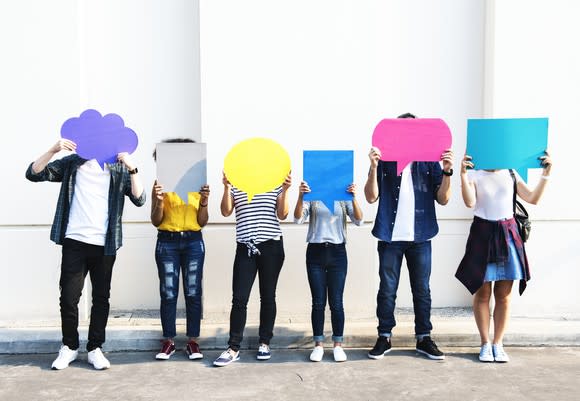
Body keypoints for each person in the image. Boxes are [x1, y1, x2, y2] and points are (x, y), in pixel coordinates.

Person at [25, 138, 145, 370]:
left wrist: (133, 168)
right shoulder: (72, 163)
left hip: (105, 244)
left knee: (101, 298)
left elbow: (139, 199)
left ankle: (95, 348)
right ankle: (69, 346)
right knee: (69, 298)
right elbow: (34, 173)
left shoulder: (119, 167)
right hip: (75, 241)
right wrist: (52, 149)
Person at [364, 112, 453, 360]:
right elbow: (371, 196)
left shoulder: (429, 161)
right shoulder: (385, 161)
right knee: (387, 289)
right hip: (390, 236)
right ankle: (384, 336)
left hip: (421, 236)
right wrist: (372, 168)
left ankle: (424, 338)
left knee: (422, 289)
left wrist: (447, 172)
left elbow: (443, 199)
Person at [455, 151, 552, 363]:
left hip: (508, 234)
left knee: (504, 295)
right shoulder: (475, 174)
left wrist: (546, 174)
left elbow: (533, 198)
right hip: (482, 233)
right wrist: (463, 174)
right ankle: (485, 343)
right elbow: (470, 202)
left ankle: (498, 343)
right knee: (482, 294)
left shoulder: (511, 171)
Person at [213, 172, 291, 367]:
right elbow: (225, 211)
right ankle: (233, 348)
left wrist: (286, 189)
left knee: (268, 296)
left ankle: (265, 342)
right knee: (239, 298)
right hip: (245, 247)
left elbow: (283, 214)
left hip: (271, 246)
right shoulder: (237, 183)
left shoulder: (274, 182)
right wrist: (226, 187)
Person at [150, 138, 210, 361]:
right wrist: (158, 201)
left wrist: (204, 202)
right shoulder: (161, 185)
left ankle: (193, 342)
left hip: (193, 240)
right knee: (168, 292)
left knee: (193, 292)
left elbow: (202, 221)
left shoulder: (198, 184)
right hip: (167, 241)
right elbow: (156, 220)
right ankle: (169, 341)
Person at [294, 181, 363, 362]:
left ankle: (338, 345)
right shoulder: (313, 196)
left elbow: (359, 220)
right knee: (318, 302)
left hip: (338, 252)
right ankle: (318, 345)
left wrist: (353, 198)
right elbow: (298, 218)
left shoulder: (342, 195)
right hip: (315, 252)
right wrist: (301, 196)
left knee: (336, 302)